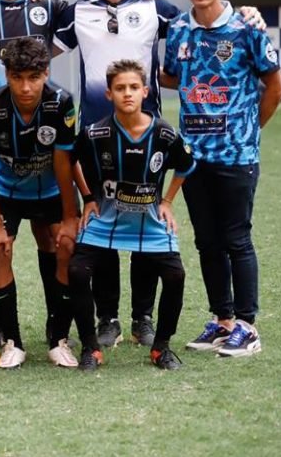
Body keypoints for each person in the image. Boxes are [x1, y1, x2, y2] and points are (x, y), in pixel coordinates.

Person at [53, 0, 264, 350]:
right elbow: (40, 50)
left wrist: (248, 12)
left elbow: (204, 17)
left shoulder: (158, 9)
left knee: (145, 224)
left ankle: (142, 317)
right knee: (103, 229)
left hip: (148, 138)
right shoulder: (78, 11)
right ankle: (108, 316)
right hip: (97, 138)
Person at [161, 0, 281, 358]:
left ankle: (247, 326)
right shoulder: (178, 29)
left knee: (236, 239)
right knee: (207, 242)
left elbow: (275, 87)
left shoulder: (247, 28)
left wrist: (248, 132)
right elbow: (177, 78)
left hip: (236, 157)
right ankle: (223, 320)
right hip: (193, 156)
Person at [72, 59, 196, 371]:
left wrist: (167, 200)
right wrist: (88, 197)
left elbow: (185, 166)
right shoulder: (94, 133)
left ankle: (161, 347)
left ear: (145, 91)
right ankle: (90, 347)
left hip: (150, 221)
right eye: (119, 88)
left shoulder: (164, 134)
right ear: (109, 95)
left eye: (133, 88)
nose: (127, 94)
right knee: (77, 272)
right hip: (105, 220)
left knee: (175, 275)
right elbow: (70, 160)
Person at [0, 38, 79, 368]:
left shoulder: (61, 102)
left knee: (64, 247)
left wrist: (70, 217)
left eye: (34, 77)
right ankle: (13, 341)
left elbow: (64, 165)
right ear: (6, 74)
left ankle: (58, 337)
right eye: (17, 77)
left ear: (46, 73)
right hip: (6, 192)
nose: (26, 86)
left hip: (50, 190)